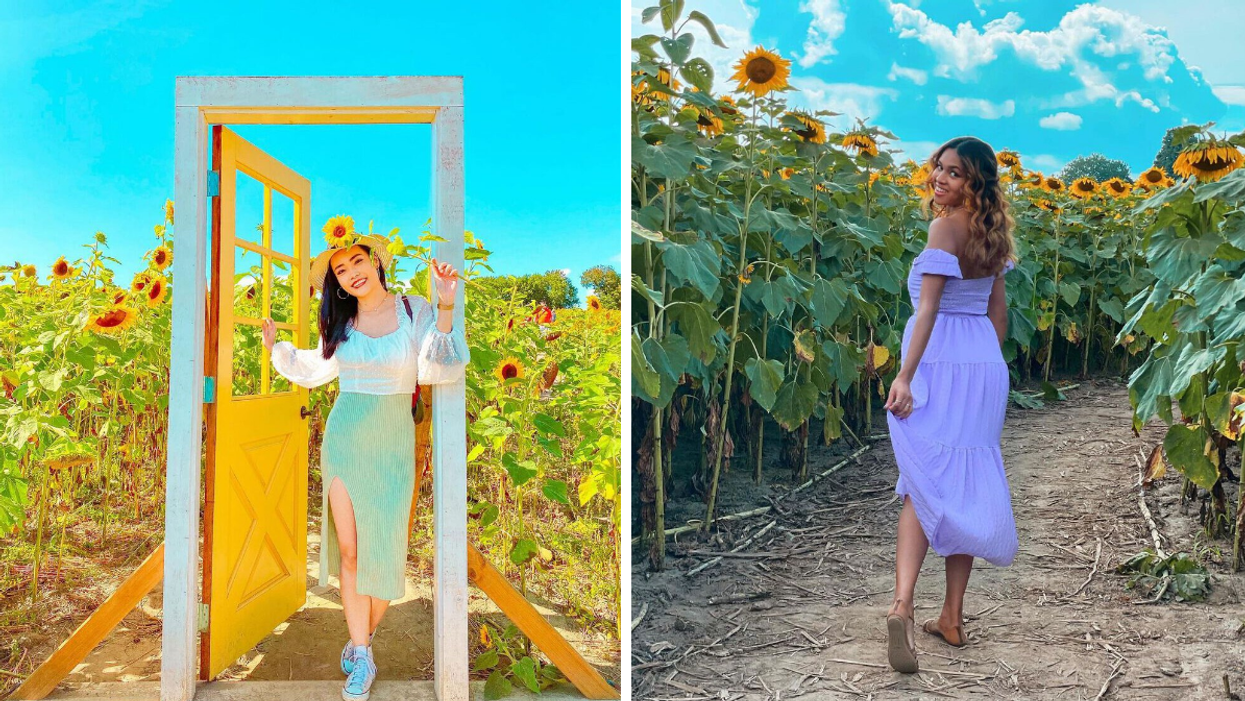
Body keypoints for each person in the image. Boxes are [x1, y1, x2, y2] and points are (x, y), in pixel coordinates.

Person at [261, 219, 468, 701]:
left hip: (394, 438)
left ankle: (361, 641)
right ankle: (362, 653)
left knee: (386, 553)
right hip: (345, 439)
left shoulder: (414, 309)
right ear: (335, 282)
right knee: (351, 553)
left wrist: (444, 304)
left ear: (375, 262)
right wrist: (279, 352)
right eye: (340, 269)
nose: (351, 272)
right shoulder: (341, 324)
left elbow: (438, 368)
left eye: (357, 260)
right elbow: (316, 367)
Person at [882, 137, 1019, 674]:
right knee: (962, 478)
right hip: (984, 364)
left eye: (955, 172)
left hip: (938, 360)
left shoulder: (944, 228)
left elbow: (929, 310)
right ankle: (953, 617)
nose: (940, 178)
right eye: (939, 168)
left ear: (975, 182)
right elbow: (998, 317)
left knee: (925, 479)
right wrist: (987, 366)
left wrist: (905, 375)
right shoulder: (995, 235)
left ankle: (902, 605)